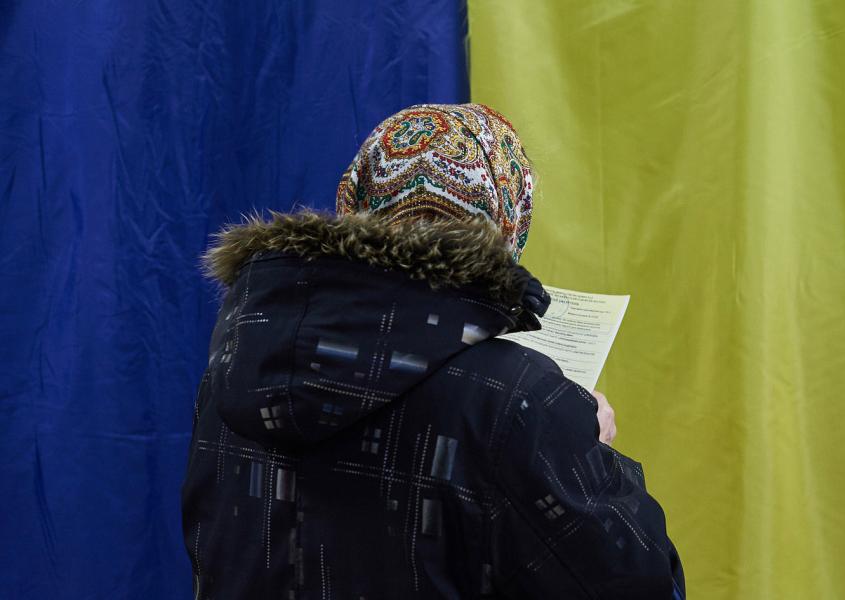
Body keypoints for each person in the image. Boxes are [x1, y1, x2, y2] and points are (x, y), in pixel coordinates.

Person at [181, 104, 685, 599]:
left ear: (356, 205)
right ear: (508, 220)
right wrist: (586, 445)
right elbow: (639, 582)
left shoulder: (234, 373)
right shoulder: (515, 398)